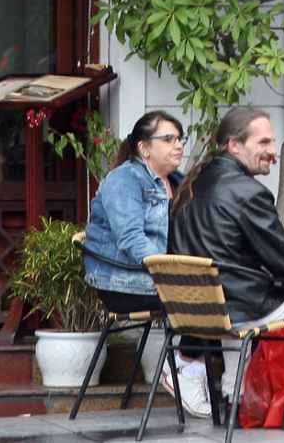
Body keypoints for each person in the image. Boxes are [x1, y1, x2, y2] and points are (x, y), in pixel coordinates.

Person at [168, 106, 284, 430]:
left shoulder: (192, 184)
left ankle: (234, 399)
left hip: (196, 310)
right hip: (236, 306)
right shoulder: (248, 192)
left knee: (234, 299)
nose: (273, 150)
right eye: (263, 142)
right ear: (234, 145)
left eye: (273, 142)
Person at [84, 111, 211, 419]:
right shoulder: (124, 180)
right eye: (168, 139)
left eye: (180, 138)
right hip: (124, 283)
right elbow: (131, 240)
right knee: (208, 297)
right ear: (144, 148)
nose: (178, 145)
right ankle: (185, 366)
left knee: (230, 288)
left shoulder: (179, 182)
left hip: (162, 279)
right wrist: (174, 274)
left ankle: (224, 379)